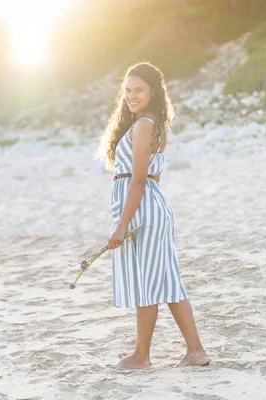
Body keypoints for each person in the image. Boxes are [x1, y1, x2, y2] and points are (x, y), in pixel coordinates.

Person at [96, 62, 210, 370]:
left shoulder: (144, 125)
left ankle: (142, 356)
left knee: (148, 282)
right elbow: (151, 179)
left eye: (139, 90)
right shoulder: (154, 123)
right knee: (166, 280)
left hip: (142, 210)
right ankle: (195, 351)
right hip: (151, 206)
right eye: (128, 90)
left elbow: (138, 180)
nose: (131, 96)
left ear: (152, 92)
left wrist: (121, 225)